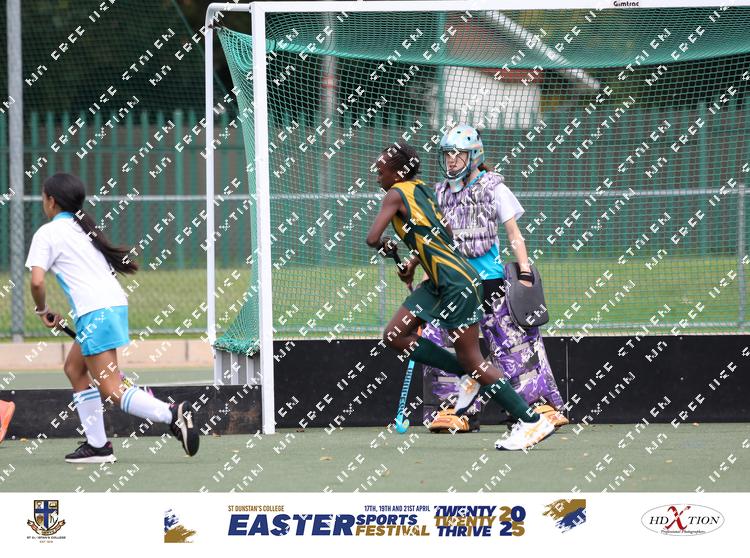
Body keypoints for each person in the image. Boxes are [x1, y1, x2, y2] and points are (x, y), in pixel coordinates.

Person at [365, 141, 555, 451]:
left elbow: (372, 238)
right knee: (395, 335)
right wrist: (413, 261)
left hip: (456, 282)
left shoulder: (395, 194)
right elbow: (445, 234)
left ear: (397, 173)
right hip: (439, 282)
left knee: (472, 359)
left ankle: (532, 420)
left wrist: (386, 245)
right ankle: (468, 376)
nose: (377, 176)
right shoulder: (423, 190)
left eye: (380, 170)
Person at [25, 173, 199, 463]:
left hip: (96, 312)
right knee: (75, 369)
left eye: (43, 197)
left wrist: (42, 310)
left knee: (111, 388)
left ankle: (172, 414)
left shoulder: (47, 233)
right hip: (112, 306)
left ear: (51, 201)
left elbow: (37, 282)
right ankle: (98, 447)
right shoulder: (84, 227)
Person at [405, 124, 568, 433]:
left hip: (489, 282)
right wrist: (421, 271)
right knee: (447, 344)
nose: (451, 160)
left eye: (458, 155)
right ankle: (455, 409)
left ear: (474, 156)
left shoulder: (494, 188)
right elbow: (434, 241)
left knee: (513, 344)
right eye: (447, 154)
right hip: (452, 283)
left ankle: (535, 405)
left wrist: (524, 270)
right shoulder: (439, 194)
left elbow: (513, 233)